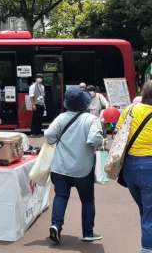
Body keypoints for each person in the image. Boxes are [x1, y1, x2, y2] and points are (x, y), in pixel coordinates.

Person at [45, 86, 105, 244]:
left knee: (61, 196)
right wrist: (100, 142)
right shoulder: (91, 119)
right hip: (82, 169)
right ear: (85, 104)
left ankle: (56, 225)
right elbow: (94, 139)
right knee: (87, 200)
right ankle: (87, 232)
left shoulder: (61, 118)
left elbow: (49, 135)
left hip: (60, 166)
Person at [120, 81, 152, 253]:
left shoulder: (130, 109)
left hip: (130, 167)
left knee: (146, 211)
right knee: (149, 215)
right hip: (149, 167)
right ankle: (147, 249)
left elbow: (119, 133)